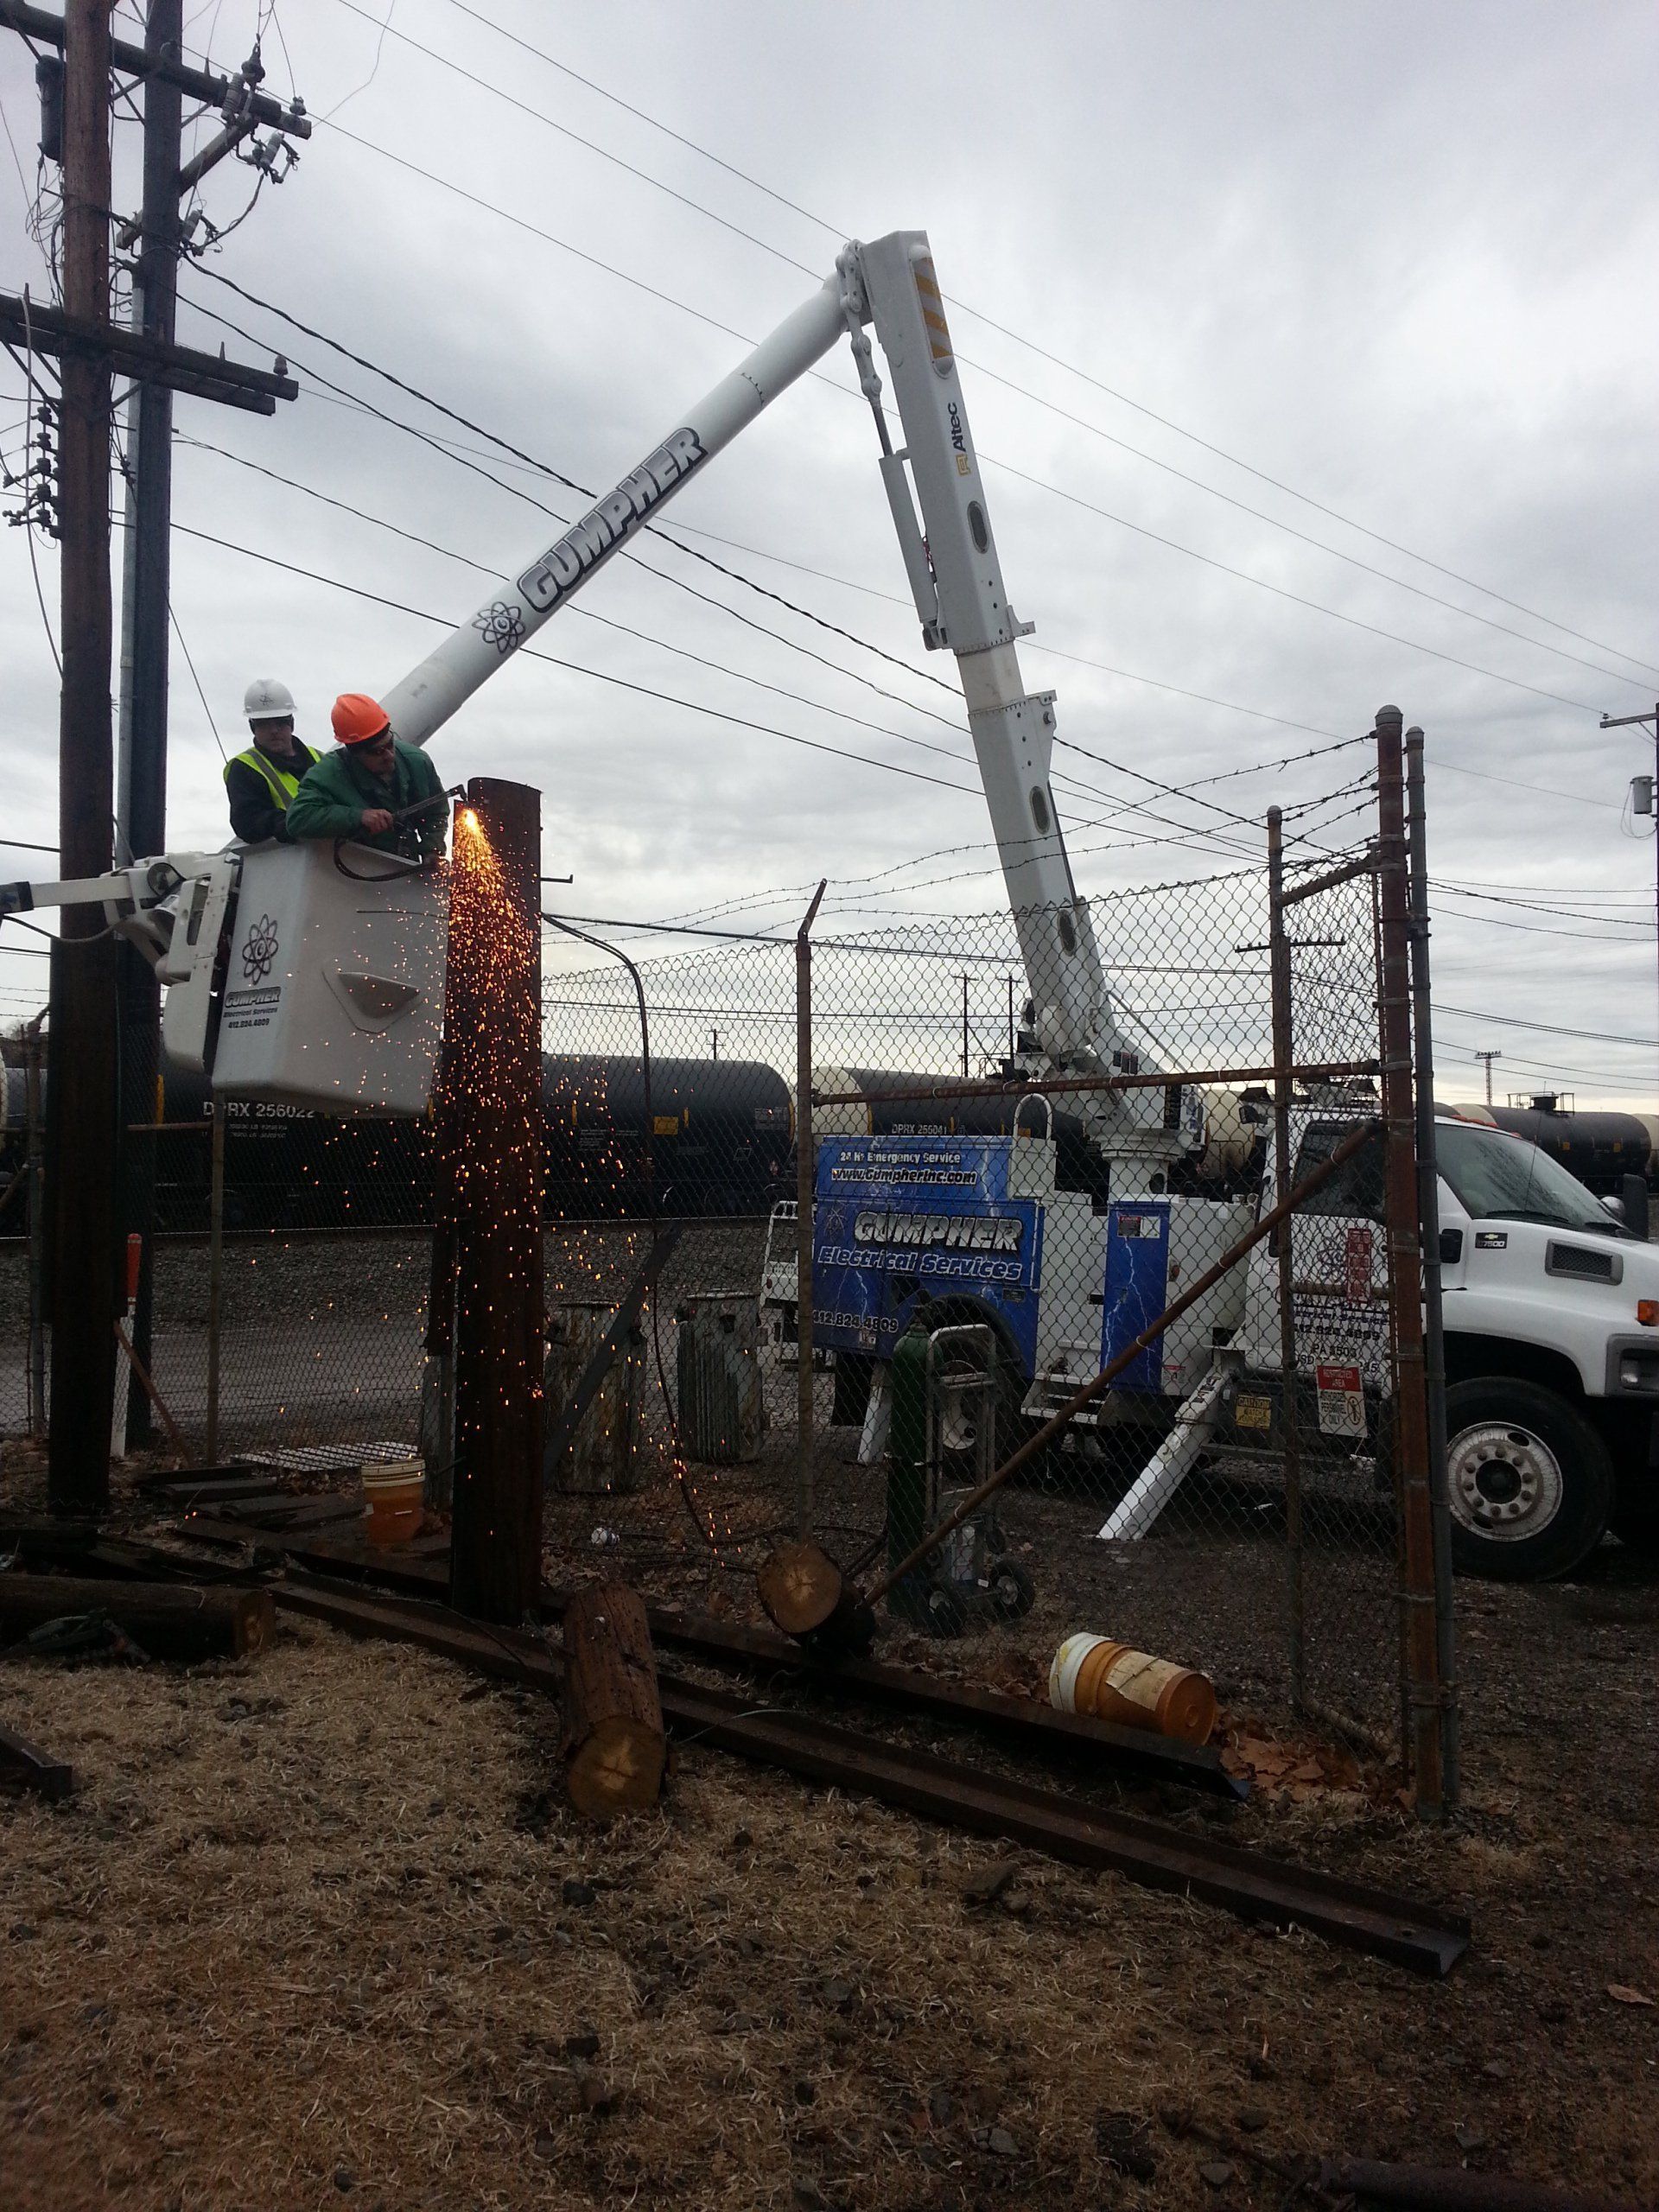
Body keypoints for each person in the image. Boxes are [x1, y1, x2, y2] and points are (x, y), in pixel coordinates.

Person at [284, 693, 448, 865]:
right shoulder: (328, 774)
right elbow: (298, 819)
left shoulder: (416, 761)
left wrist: (432, 848)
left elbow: (436, 811)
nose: (389, 755)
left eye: (389, 744)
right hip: (355, 868)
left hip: (404, 864)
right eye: (377, 752)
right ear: (354, 753)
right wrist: (358, 817)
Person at [224, 677, 319, 843]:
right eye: (264, 724)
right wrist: (297, 824)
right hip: (285, 860)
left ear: (291, 723)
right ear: (253, 727)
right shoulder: (244, 767)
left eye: (280, 723)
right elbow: (247, 822)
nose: (274, 731)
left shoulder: (321, 758)